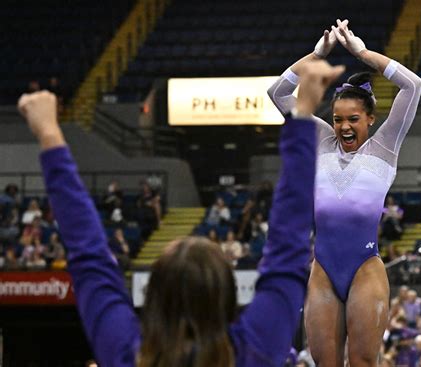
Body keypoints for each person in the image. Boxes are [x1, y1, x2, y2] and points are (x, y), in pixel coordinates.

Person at [18, 59, 344, 366]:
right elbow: (287, 251)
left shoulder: (125, 354)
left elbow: (89, 256)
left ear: (155, 297)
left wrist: (49, 134)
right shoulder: (253, 351)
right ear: (227, 298)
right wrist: (302, 115)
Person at [267, 19, 421, 366]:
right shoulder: (319, 140)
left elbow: (413, 85)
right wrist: (317, 55)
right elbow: (276, 93)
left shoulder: (384, 147)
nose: (344, 127)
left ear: (370, 119)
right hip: (322, 268)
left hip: (364, 267)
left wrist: (363, 53)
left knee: (364, 362)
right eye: (338, 119)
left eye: (353, 119)